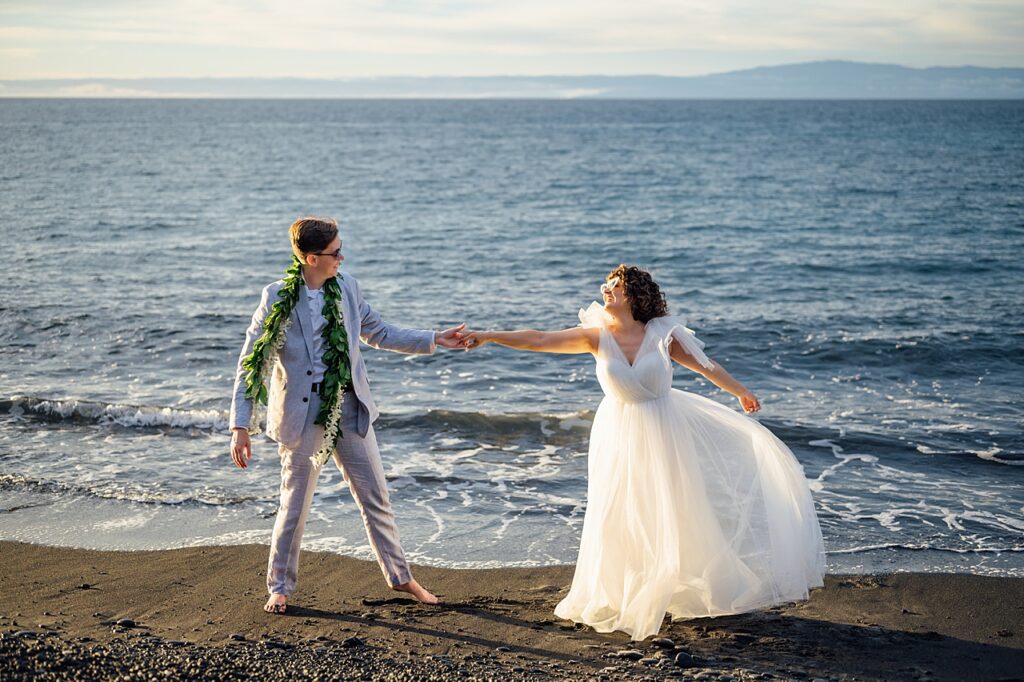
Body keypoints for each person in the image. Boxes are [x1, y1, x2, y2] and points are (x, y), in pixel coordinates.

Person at [462, 264, 825, 640]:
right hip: (618, 432)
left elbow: (707, 366)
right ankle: (626, 592)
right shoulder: (596, 336)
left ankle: (677, 585)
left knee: (672, 508)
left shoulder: (662, 334)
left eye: (615, 286)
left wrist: (741, 392)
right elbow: (537, 339)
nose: (606, 290)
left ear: (634, 294)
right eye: (607, 284)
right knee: (621, 510)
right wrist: (488, 336)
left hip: (664, 428)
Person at [230, 216, 466, 614]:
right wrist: (241, 425)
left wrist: (434, 339)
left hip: (349, 409)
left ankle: (402, 577)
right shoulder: (276, 297)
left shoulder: (348, 288)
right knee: (295, 504)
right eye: (335, 252)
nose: (342, 257)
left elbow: (380, 332)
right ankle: (280, 586)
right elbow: (251, 364)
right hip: (300, 417)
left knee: (376, 497)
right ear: (310, 258)